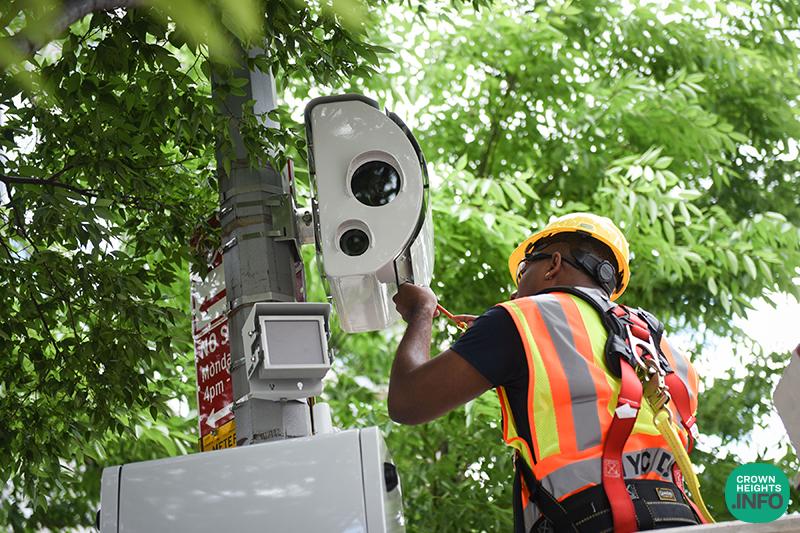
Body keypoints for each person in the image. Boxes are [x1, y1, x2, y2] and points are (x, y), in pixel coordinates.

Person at [388, 213, 704, 532]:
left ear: (553, 264)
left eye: (524, 271)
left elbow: (407, 401)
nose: (514, 293)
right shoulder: (667, 351)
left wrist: (421, 312)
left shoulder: (521, 320)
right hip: (684, 520)